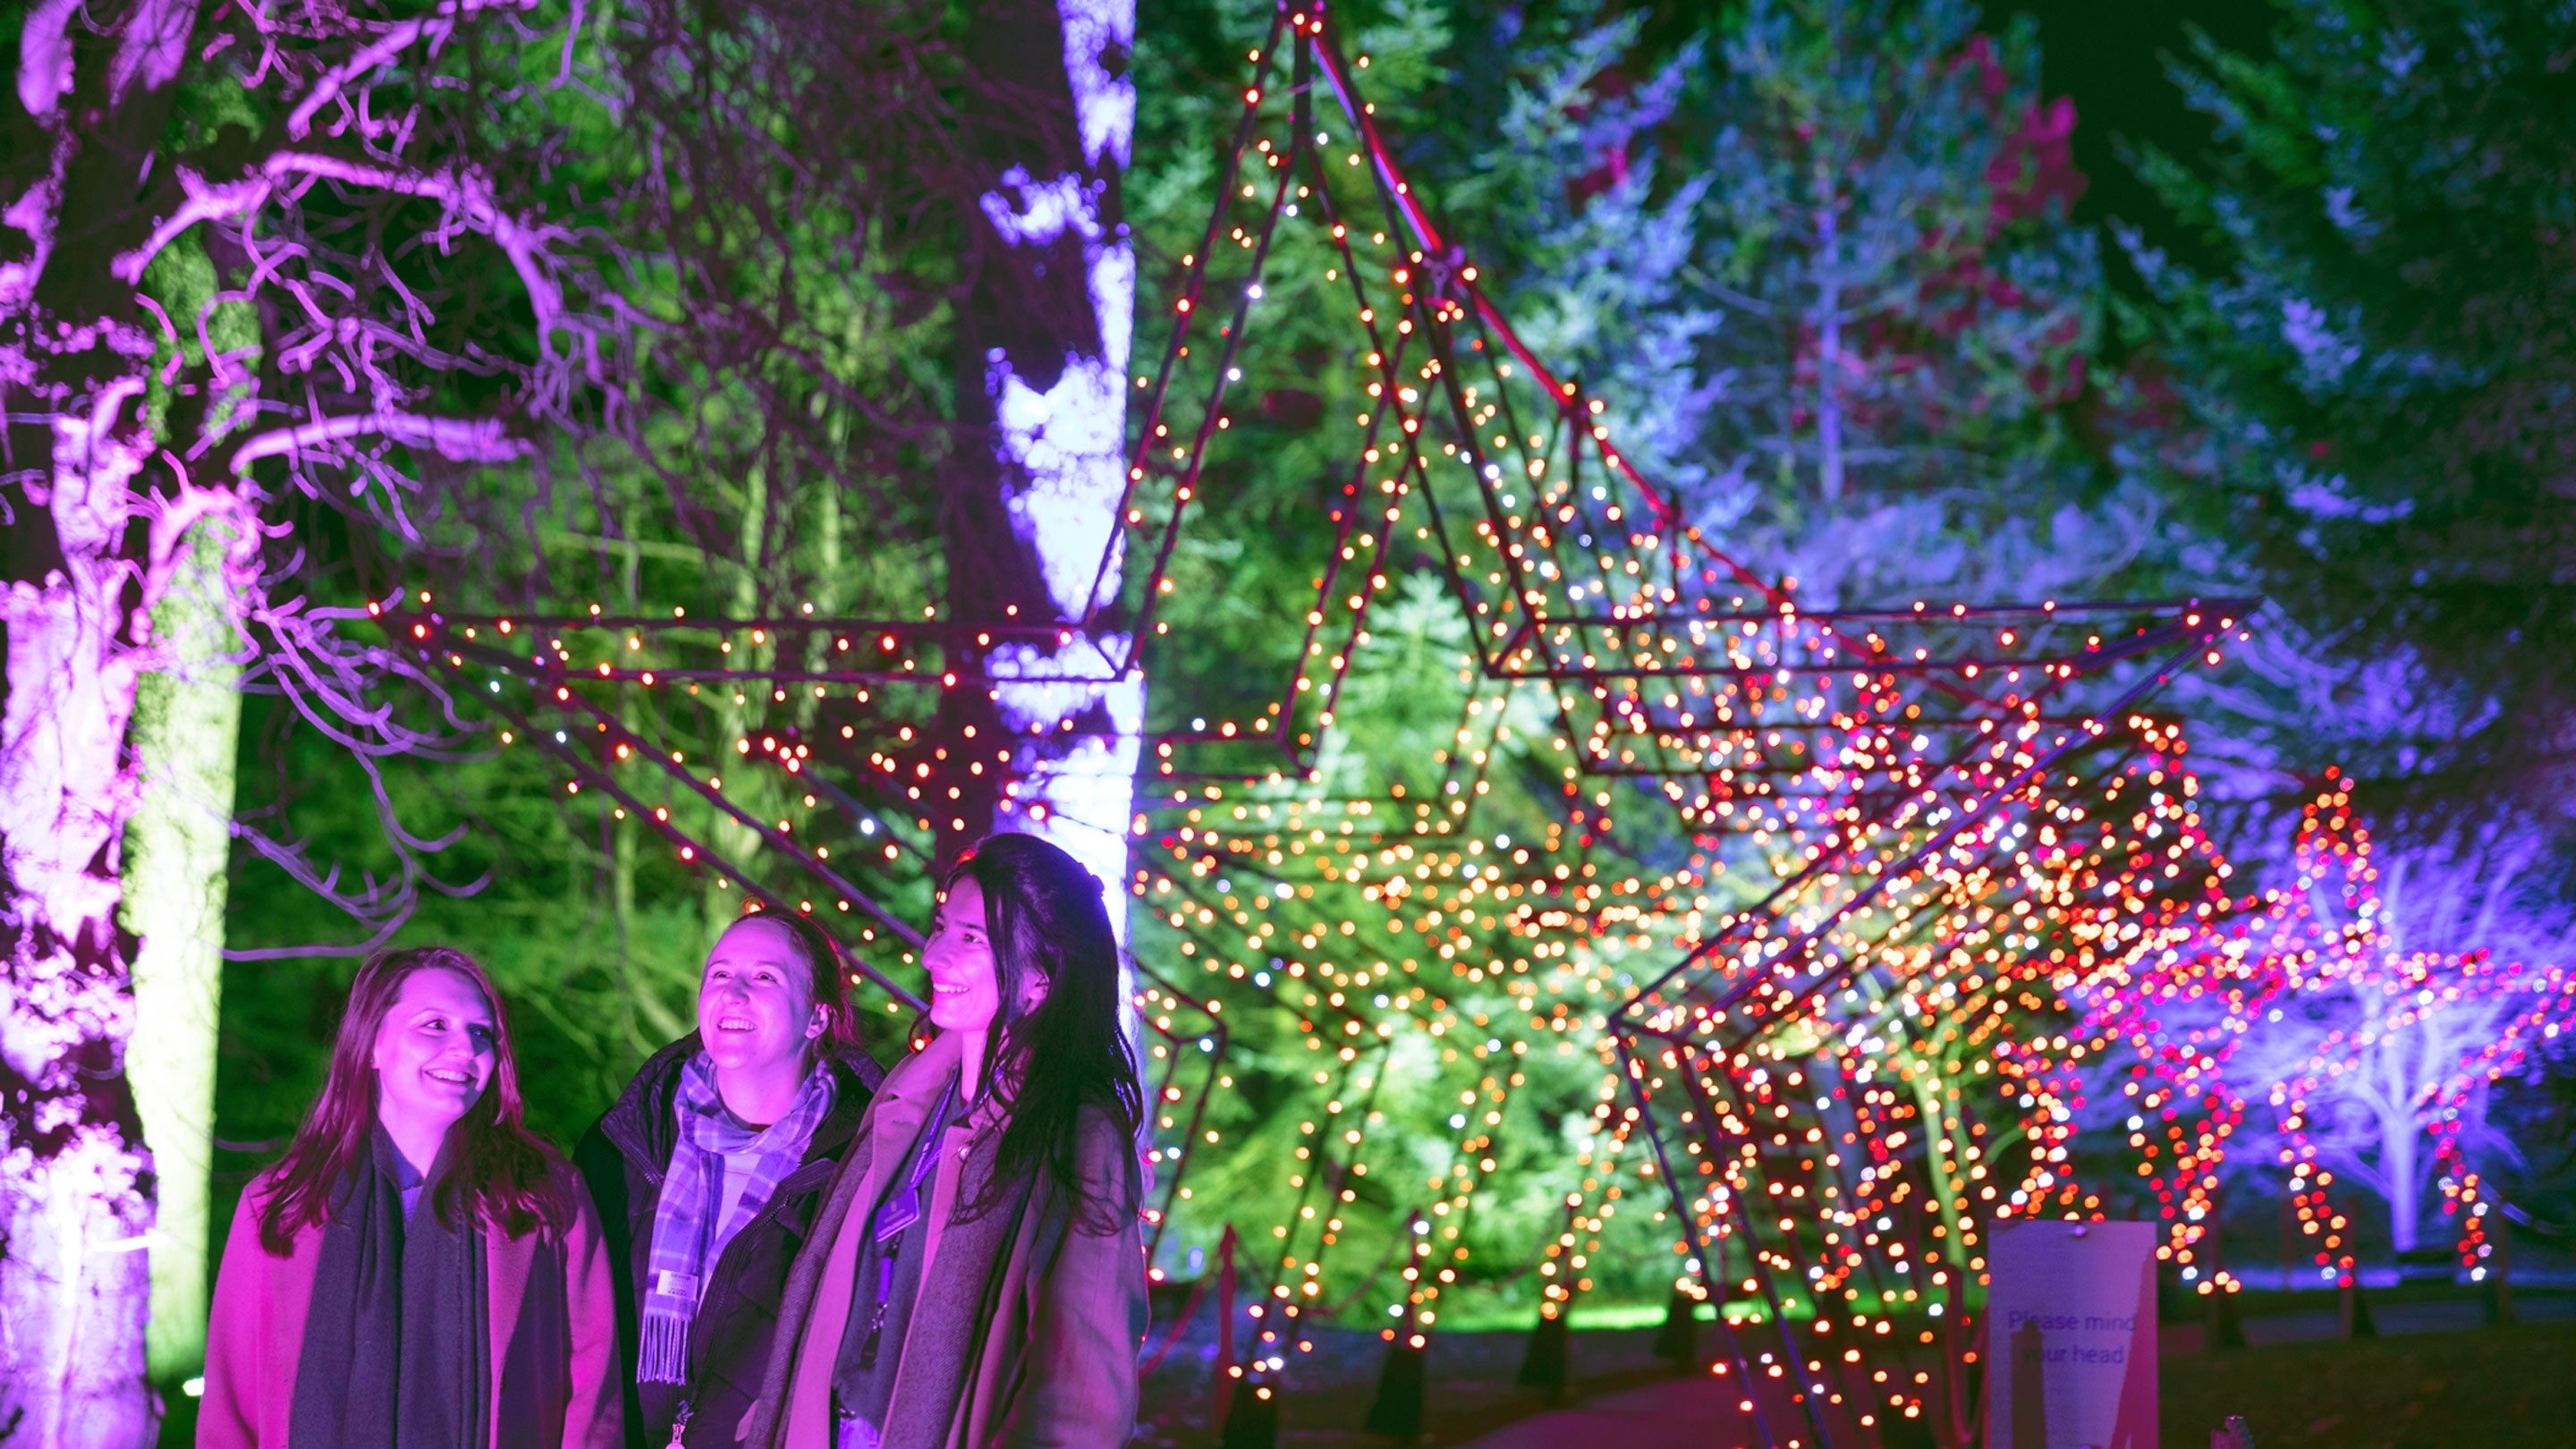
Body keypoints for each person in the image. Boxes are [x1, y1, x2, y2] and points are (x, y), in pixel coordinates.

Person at [741, 833, 1148, 1449]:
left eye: (970, 939)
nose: (933, 957)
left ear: (1042, 975)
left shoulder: (1076, 1135)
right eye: (940, 928)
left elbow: (1082, 1392)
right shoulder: (913, 1091)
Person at [200, 945, 621, 1448]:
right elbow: (231, 1410)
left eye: (480, 1033)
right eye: (434, 1025)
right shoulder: (280, 1206)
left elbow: (594, 1391)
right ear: (371, 1044)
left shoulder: (542, 1199)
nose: (465, 1049)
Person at [575, 910, 885, 1447]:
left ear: (817, 1018)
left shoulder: (859, 1172)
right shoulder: (618, 1149)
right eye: (719, 974)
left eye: (765, 977)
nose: (733, 992)